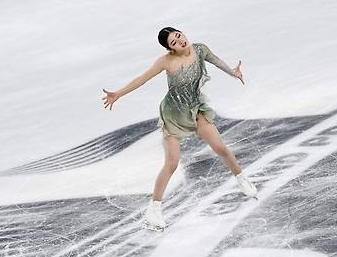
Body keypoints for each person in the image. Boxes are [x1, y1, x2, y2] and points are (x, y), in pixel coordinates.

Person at [101, 27, 257, 231]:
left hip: (195, 108)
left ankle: (241, 178)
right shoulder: (166, 61)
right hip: (173, 114)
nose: (180, 41)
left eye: (179, 36)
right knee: (172, 163)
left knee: (221, 148)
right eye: (174, 42)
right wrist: (118, 94)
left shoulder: (200, 50)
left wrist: (233, 72)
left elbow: (217, 61)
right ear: (170, 49)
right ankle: (153, 209)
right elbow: (142, 79)